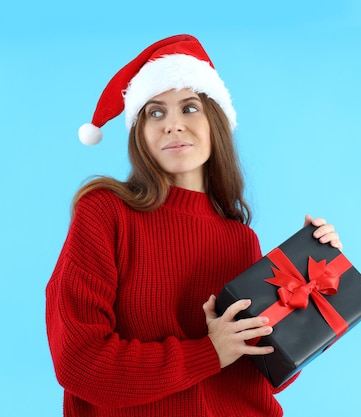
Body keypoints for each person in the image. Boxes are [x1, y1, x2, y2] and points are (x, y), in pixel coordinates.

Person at [46, 34, 343, 417]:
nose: (172, 125)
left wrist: (317, 282)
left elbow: (269, 370)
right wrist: (207, 352)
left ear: (215, 122)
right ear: (139, 132)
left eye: (189, 107)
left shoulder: (240, 238)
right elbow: (80, 362)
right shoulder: (105, 213)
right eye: (155, 112)